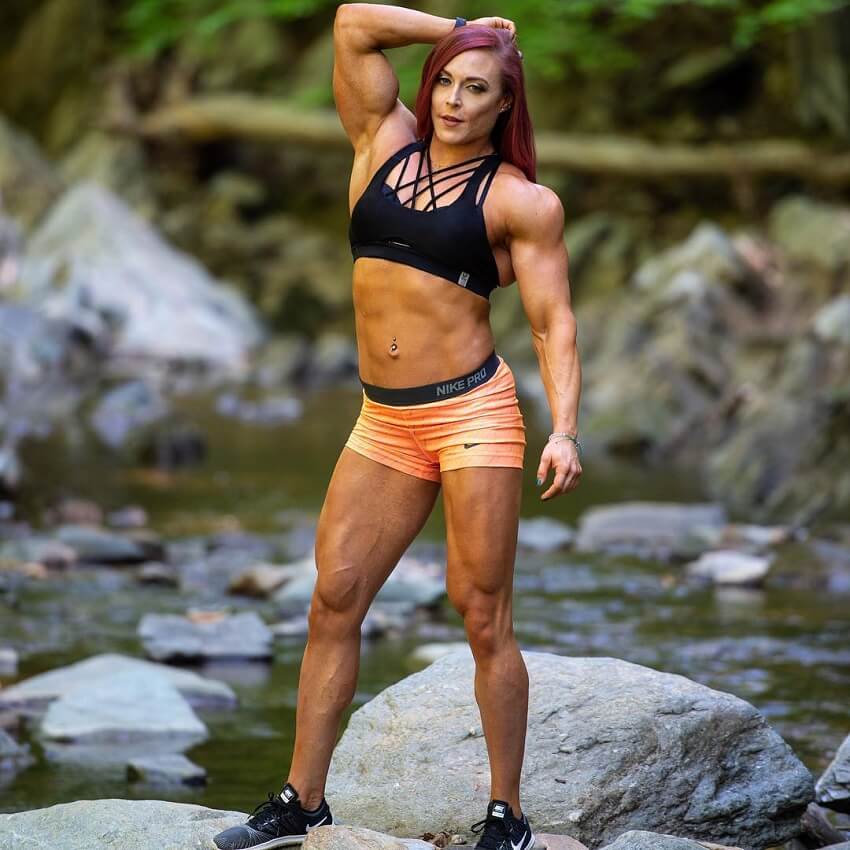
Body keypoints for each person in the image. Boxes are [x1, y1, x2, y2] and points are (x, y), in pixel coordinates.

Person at [214, 5, 581, 850]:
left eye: (476, 87)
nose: (454, 99)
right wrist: (456, 25)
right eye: (447, 80)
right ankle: (303, 801)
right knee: (333, 599)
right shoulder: (382, 142)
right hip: (384, 421)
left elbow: (553, 322)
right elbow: (351, 23)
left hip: (472, 415)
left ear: (504, 104)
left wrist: (565, 428)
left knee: (481, 614)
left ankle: (508, 814)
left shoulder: (522, 203)